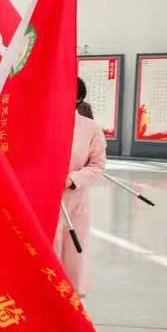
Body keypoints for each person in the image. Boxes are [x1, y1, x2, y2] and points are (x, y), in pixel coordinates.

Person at [54, 77, 107, 297]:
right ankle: (48, 291)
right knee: (48, 244)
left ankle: (73, 293)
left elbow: (97, 165)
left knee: (74, 246)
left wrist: (72, 179)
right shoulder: (41, 124)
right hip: (45, 196)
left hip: (74, 198)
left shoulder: (90, 128)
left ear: (78, 97)